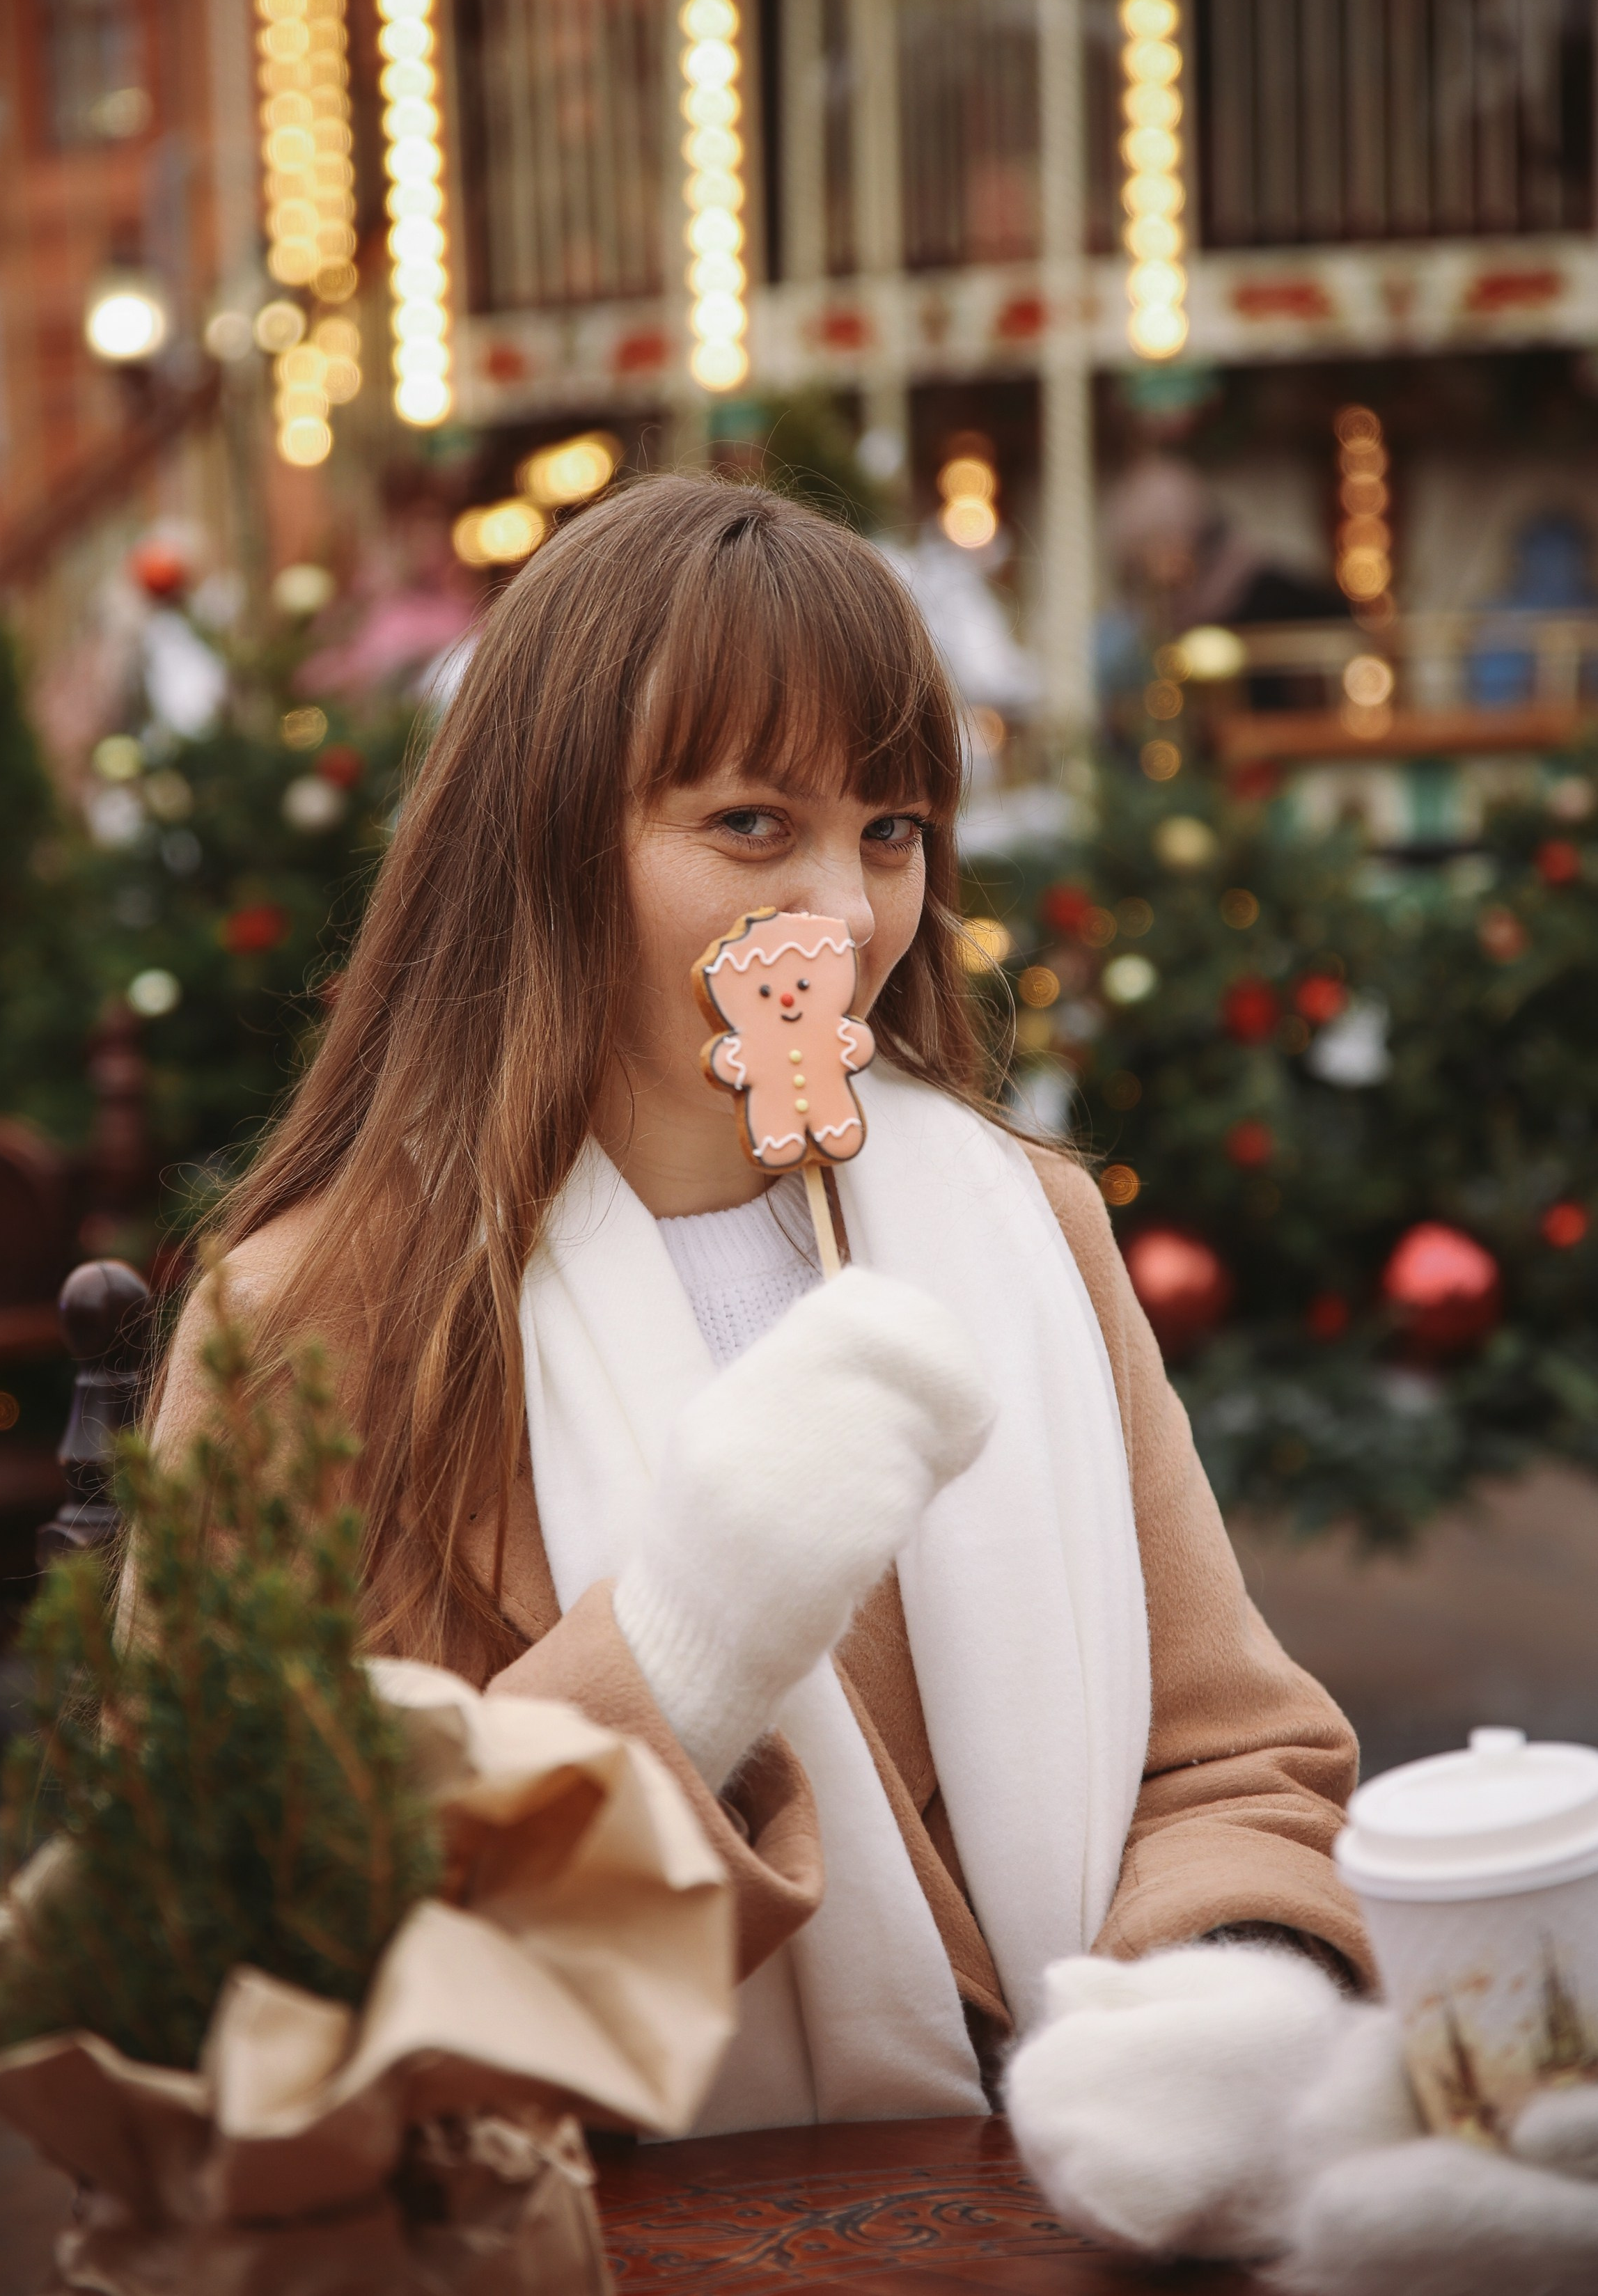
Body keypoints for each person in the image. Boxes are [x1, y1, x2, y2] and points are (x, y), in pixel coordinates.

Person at [145, 475, 1369, 2134]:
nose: (847, 920)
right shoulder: (314, 1316)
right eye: (748, 826)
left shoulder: (1031, 1228)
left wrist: (1206, 1998)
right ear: (551, 839)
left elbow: (1230, 1759)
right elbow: (253, 1935)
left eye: (892, 831)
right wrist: (686, 1647)